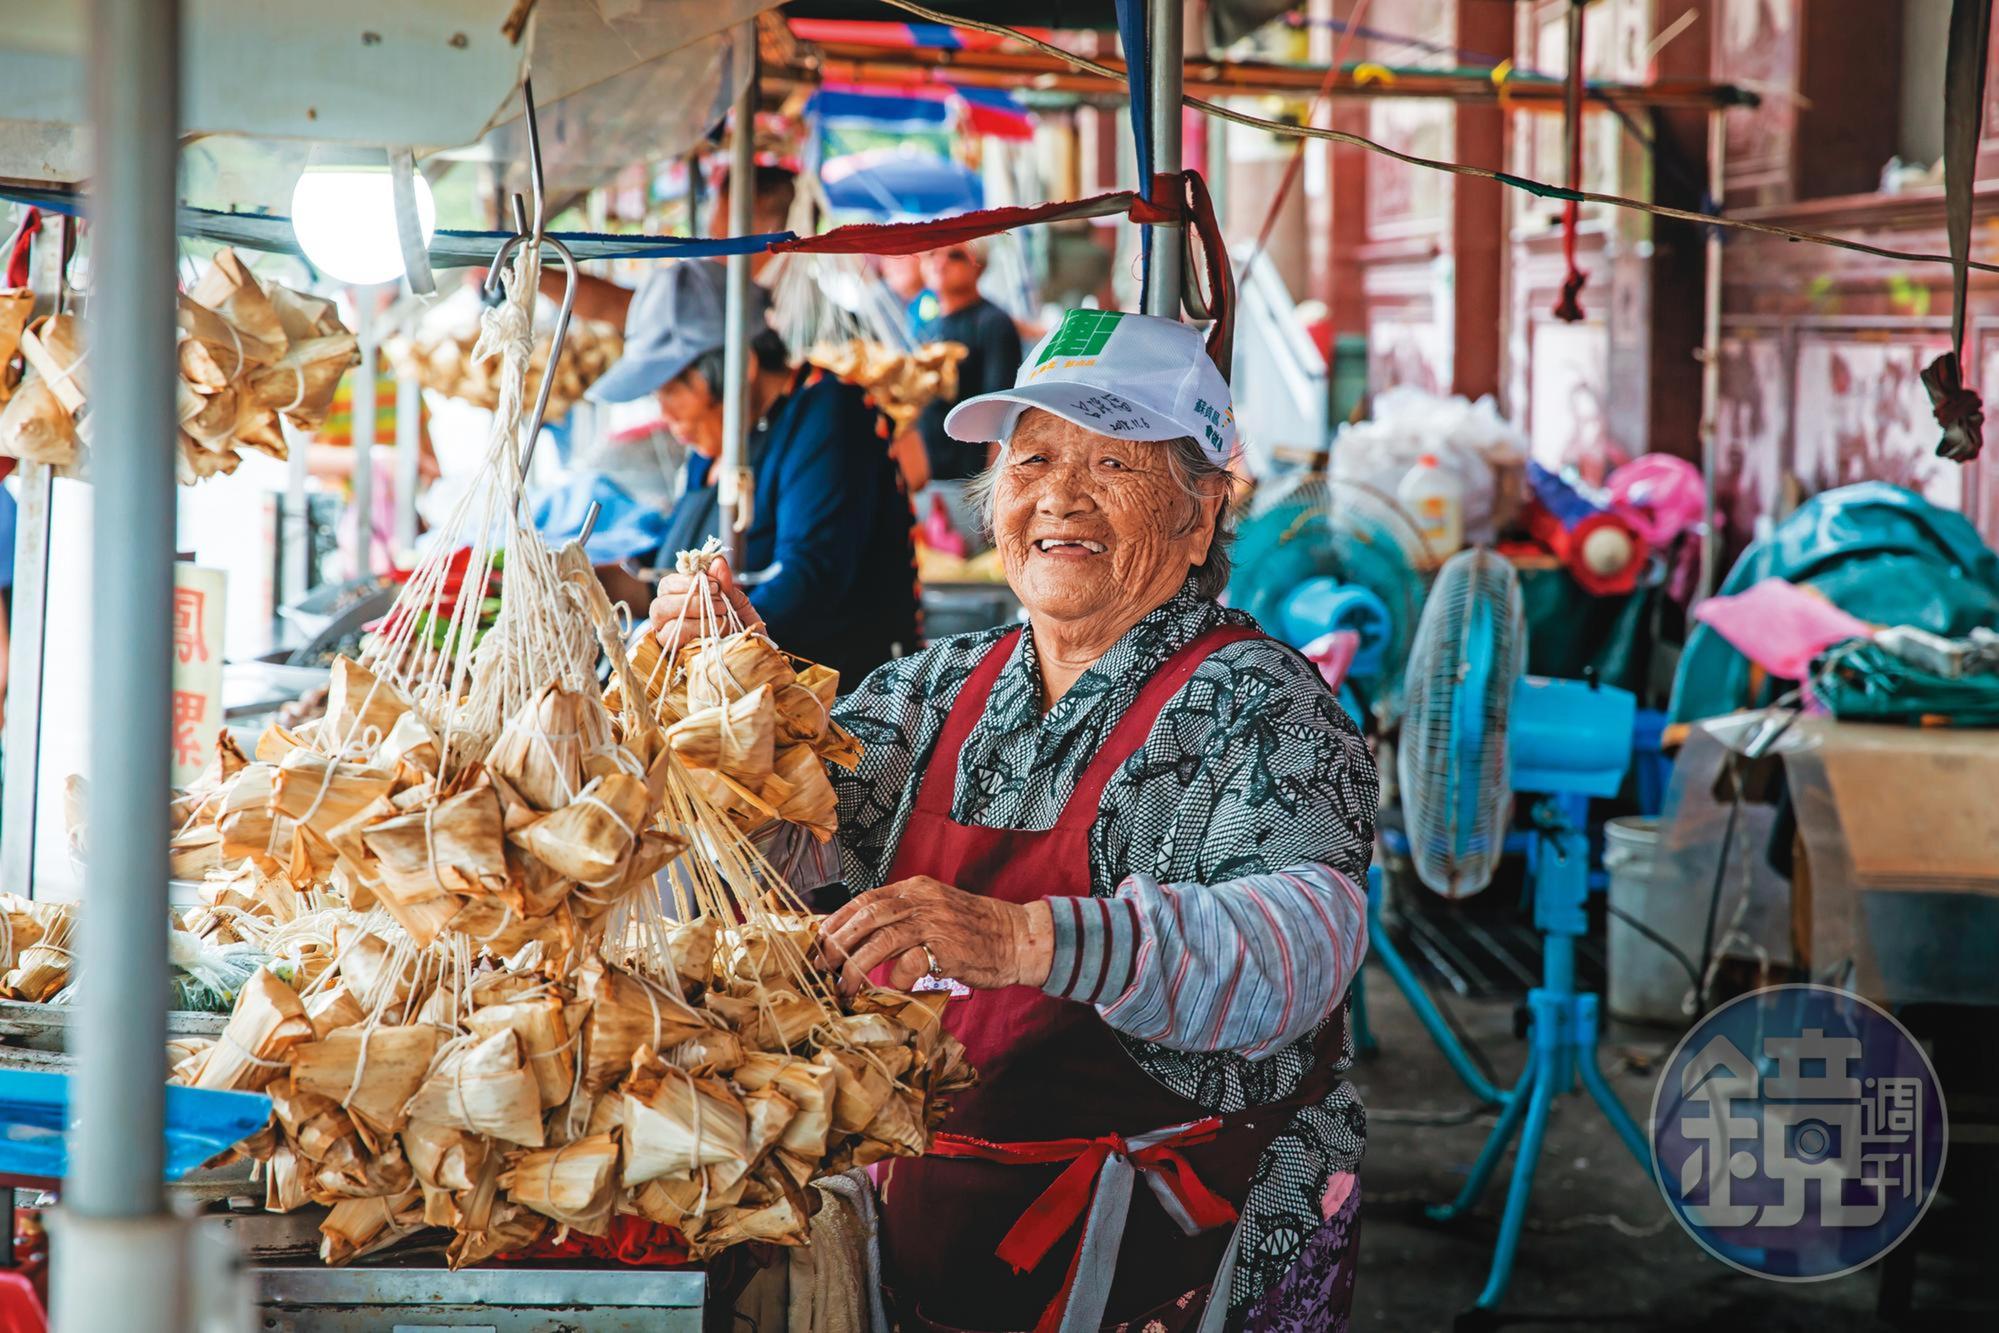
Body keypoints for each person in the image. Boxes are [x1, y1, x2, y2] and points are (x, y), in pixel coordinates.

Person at [651, 309, 1374, 1331]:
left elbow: (1303, 946)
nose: (1059, 497)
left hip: (1179, 1253)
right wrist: (728, 706)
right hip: (946, 1235)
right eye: (1031, 458)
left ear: (1202, 512)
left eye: (1114, 464)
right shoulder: (935, 689)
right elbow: (777, 851)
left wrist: (1031, 938)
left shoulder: (1260, 706)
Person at [596, 259, 919, 686]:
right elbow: (665, 573)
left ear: (740, 367)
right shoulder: (717, 443)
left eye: (672, 387)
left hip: (829, 708)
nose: (664, 410)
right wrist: (590, 584)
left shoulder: (828, 413)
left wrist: (700, 637)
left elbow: (807, 583)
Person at [549, 164, 798, 328]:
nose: (713, 239)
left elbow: (620, 306)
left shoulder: (725, 293)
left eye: (720, 233)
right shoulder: (761, 289)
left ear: (761, 224)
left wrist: (532, 271)